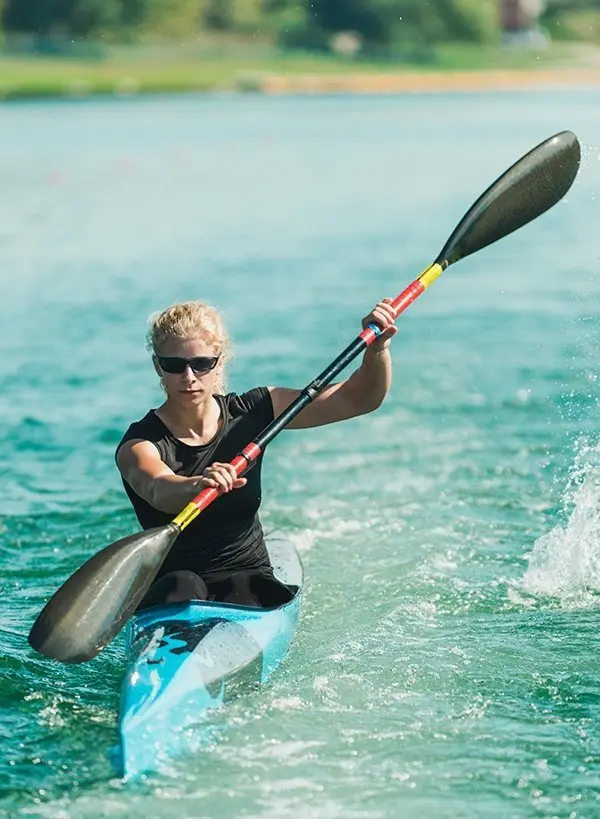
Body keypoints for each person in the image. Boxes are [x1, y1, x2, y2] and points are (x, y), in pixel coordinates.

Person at [115, 298, 397, 610]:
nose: (189, 377)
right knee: (183, 584)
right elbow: (157, 488)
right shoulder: (140, 443)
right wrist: (196, 485)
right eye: (174, 365)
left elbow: (359, 399)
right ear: (158, 366)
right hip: (176, 588)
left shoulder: (254, 411)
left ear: (220, 362)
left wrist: (377, 350)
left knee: (243, 586)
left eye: (202, 363)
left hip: (248, 577)